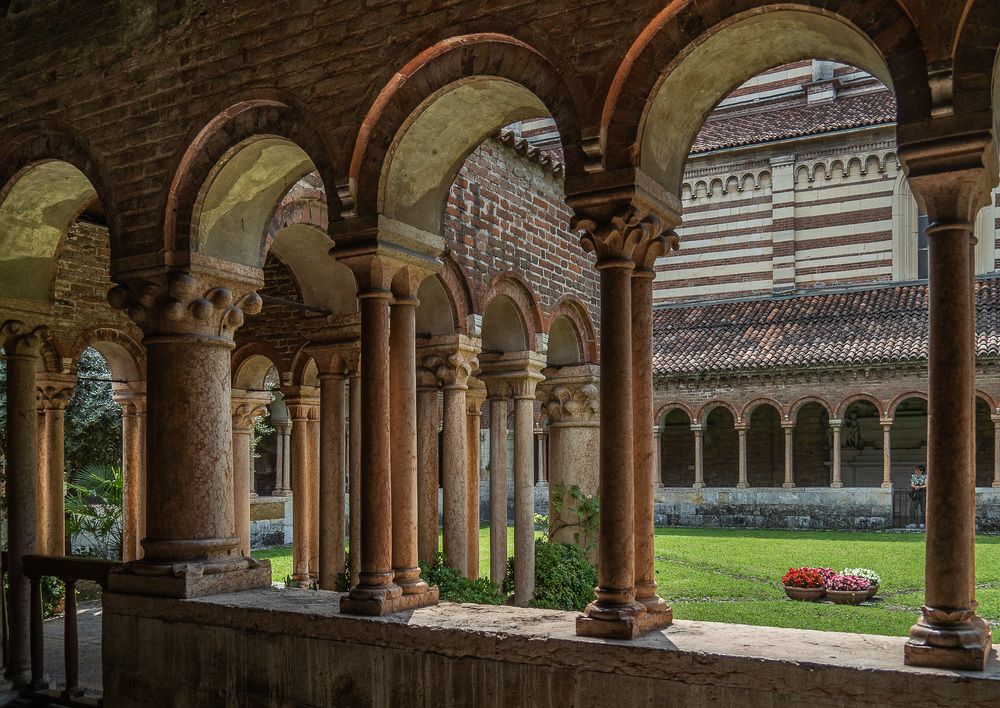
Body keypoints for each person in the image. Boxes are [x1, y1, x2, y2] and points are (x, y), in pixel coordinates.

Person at [908, 464, 927, 529]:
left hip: (922, 493)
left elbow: (926, 485)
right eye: (915, 469)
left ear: (921, 471)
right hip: (915, 493)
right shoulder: (913, 476)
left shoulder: (925, 477)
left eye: (917, 469)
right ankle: (912, 523)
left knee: (923, 509)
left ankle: (922, 523)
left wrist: (919, 487)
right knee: (912, 508)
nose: (915, 470)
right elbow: (912, 484)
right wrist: (915, 486)